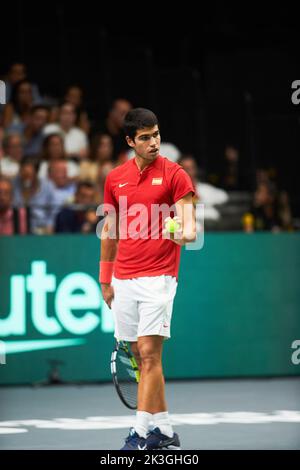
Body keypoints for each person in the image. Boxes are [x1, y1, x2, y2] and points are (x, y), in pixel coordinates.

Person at [99, 108, 196, 450]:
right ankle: (165, 430)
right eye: (145, 138)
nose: (154, 142)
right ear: (130, 141)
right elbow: (109, 229)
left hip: (159, 278)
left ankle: (140, 434)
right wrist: (105, 279)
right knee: (140, 360)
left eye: (156, 135)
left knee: (151, 355)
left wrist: (181, 233)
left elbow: (190, 227)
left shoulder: (175, 175)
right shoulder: (115, 178)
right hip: (124, 278)